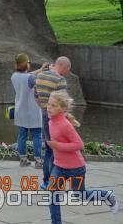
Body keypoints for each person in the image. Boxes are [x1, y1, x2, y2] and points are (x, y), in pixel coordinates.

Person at [46, 90, 118, 223]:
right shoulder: (51, 121)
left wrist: (57, 145)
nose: (49, 107)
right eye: (49, 104)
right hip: (58, 166)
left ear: (62, 109)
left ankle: (107, 195)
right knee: (52, 194)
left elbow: (79, 145)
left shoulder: (65, 125)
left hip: (75, 168)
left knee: (81, 195)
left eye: (53, 105)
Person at [33, 56, 70, 189]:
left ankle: (46, 181)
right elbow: (63, 103)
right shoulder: (61, 80)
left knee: (48, 148)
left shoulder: (40, 76)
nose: (67, 72)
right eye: (67, 70)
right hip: (56, 118)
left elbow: (35, 96)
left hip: (44, 113)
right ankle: (55, 182)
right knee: (56, 148)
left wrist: (44, 107)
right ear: (64, 67)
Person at [11, 53, 47, 168]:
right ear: (26, 64)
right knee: (37, 135)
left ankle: (23, 159)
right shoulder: (31, 78)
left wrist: (40, 69)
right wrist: (46, 71)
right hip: (32, 110)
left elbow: (27, 76)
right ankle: (38, 161)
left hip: (20, 110)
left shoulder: (14, 76)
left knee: (22, 134)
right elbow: (31, 78)